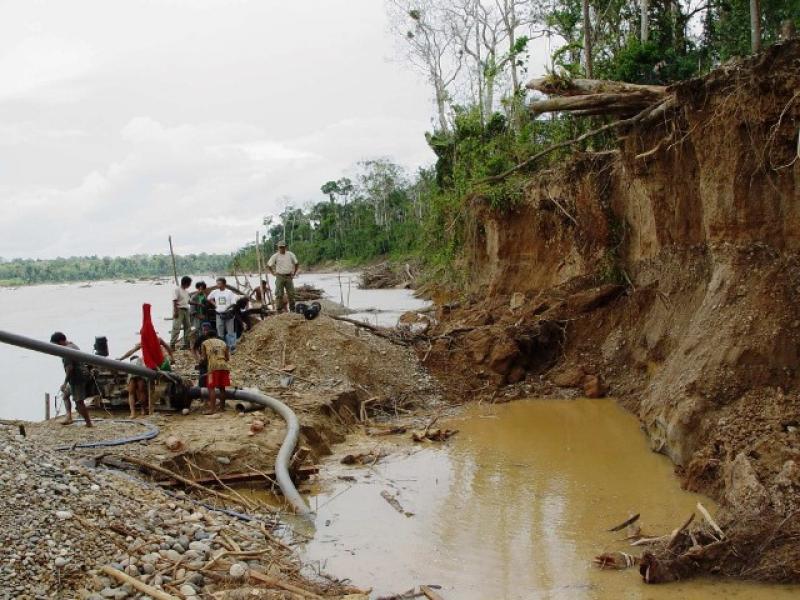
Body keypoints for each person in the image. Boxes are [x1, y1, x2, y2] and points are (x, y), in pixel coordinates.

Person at [50, 332, 93, 427]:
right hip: (81, 374)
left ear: (61, 342)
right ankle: (69, 417)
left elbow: (70, 368)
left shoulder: (66, 351)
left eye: (55, 345)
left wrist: (65, 383)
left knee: (79, 402)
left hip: (77, 377)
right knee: (65, 395)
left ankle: (88, 423)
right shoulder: (73, 345)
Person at [201, 330, 231, 414]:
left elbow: (203, 358)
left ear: (207, 336)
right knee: (222, 388)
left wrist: (201, 362)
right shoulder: (223, 343)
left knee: (211, 388)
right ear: (216, 336)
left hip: (213, 367)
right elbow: (227, 358)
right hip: (224, 366)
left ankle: (212, 409)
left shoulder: (205, 343)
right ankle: (222, 408)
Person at [207, 277, 239, 349]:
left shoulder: (229, 292)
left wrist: (227, 308)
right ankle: (221, 346)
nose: (218, 285)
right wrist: (215, 305)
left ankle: (231, 347)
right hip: (219, 314)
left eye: (219, 284)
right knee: (219, 330)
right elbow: (209, 298)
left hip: (228, 314)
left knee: (230, 331)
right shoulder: (215, 292)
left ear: (224, 284)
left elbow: (234, 303)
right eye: (217, 283)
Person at [267, 240, 299, 312]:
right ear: (278, 247)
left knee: (291, 293)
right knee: (279, 294)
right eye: (280, 247)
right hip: (279, 276)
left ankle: (292, 309)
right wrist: (273, 273)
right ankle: (279, 310)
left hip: (289, 276)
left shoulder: (290, 254)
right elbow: (269, 265)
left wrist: (294, 273)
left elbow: (296, 263)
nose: (281, 249)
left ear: (286, 247)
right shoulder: (275, 256)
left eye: (283, 247)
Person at [170, 276, 193, 350]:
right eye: (189, 283)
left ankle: (186, 344)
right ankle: (172, 344)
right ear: (186, 283)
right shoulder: (177, 289)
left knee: (188, 328)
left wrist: (198, 304)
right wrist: (175, 311)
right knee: (176, 327)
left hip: (186, 310)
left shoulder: (186, 292)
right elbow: (174, 301)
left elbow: (189, 302)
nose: (190, 285)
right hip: (179, 310)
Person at [191, 321, 215, 388]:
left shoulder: (214, 337)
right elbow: (193, 349)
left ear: (210, 329)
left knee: (211, 379)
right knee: (202, 378)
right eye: (204, 330)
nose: (205, 332)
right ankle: (202, 391)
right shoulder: (201, 338)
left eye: (207, 330)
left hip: (212, 360)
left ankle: (210, 391)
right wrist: (197, 358)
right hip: (203, 360)